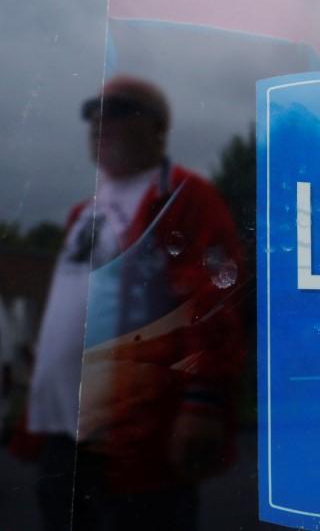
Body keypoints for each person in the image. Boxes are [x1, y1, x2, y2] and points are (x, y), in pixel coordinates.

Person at [25, 75, 245, 531]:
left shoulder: (183, 197)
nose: (101, 123)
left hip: (137, 442)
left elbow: (214, 300)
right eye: (96, 115)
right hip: (61, 434)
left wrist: (202, 401)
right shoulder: (84, 211)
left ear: (159, 129)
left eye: (121, 112)